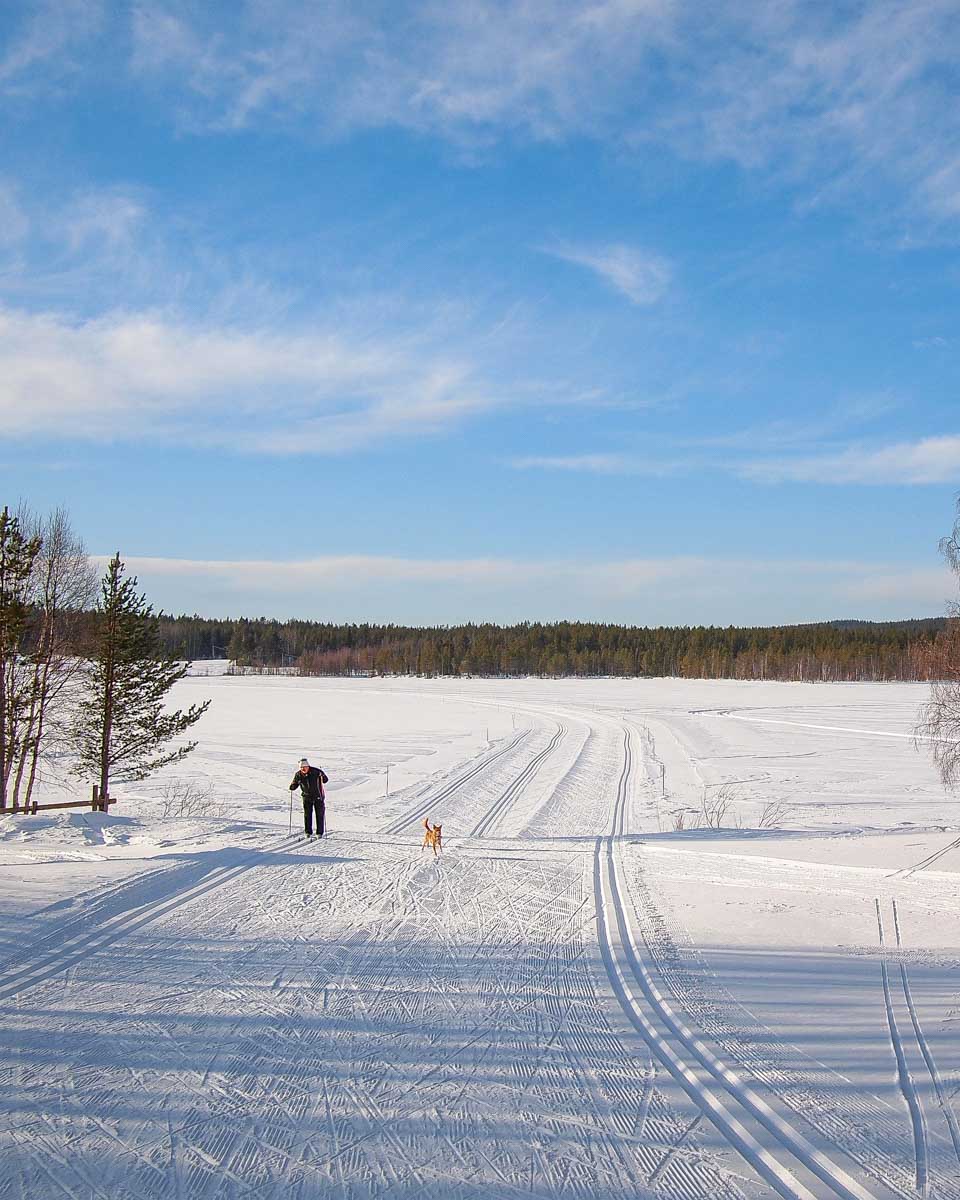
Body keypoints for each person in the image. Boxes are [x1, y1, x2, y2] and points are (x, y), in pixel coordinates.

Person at [290, 757, 329, 838]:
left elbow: (325, 780)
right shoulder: (298, 774)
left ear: (308, 766)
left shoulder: (316, 771)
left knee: (319, 814)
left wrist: (322, 776)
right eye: (301, 768)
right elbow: (295, 783)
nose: (303, 769)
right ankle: (308, 832)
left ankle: (319, 832)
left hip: (318, 796)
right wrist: (292, 786)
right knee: (307, 815)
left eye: (304, 767)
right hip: (306, 796)